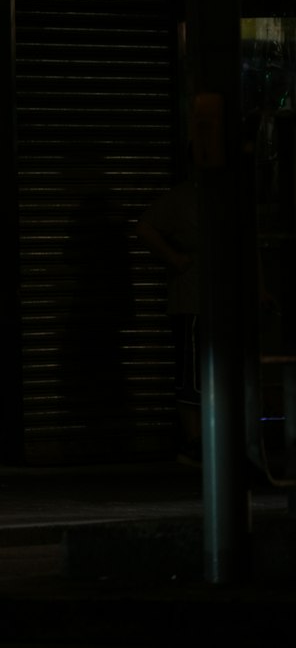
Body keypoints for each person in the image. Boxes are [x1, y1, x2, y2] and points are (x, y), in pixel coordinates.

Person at [136, 160, 201, 466]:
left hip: (219, 301)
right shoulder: (183, 196)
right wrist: (175, 260)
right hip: (193, 300)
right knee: (191, 373)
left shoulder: (228, 197)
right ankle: (194, 440)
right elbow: (146, 227)